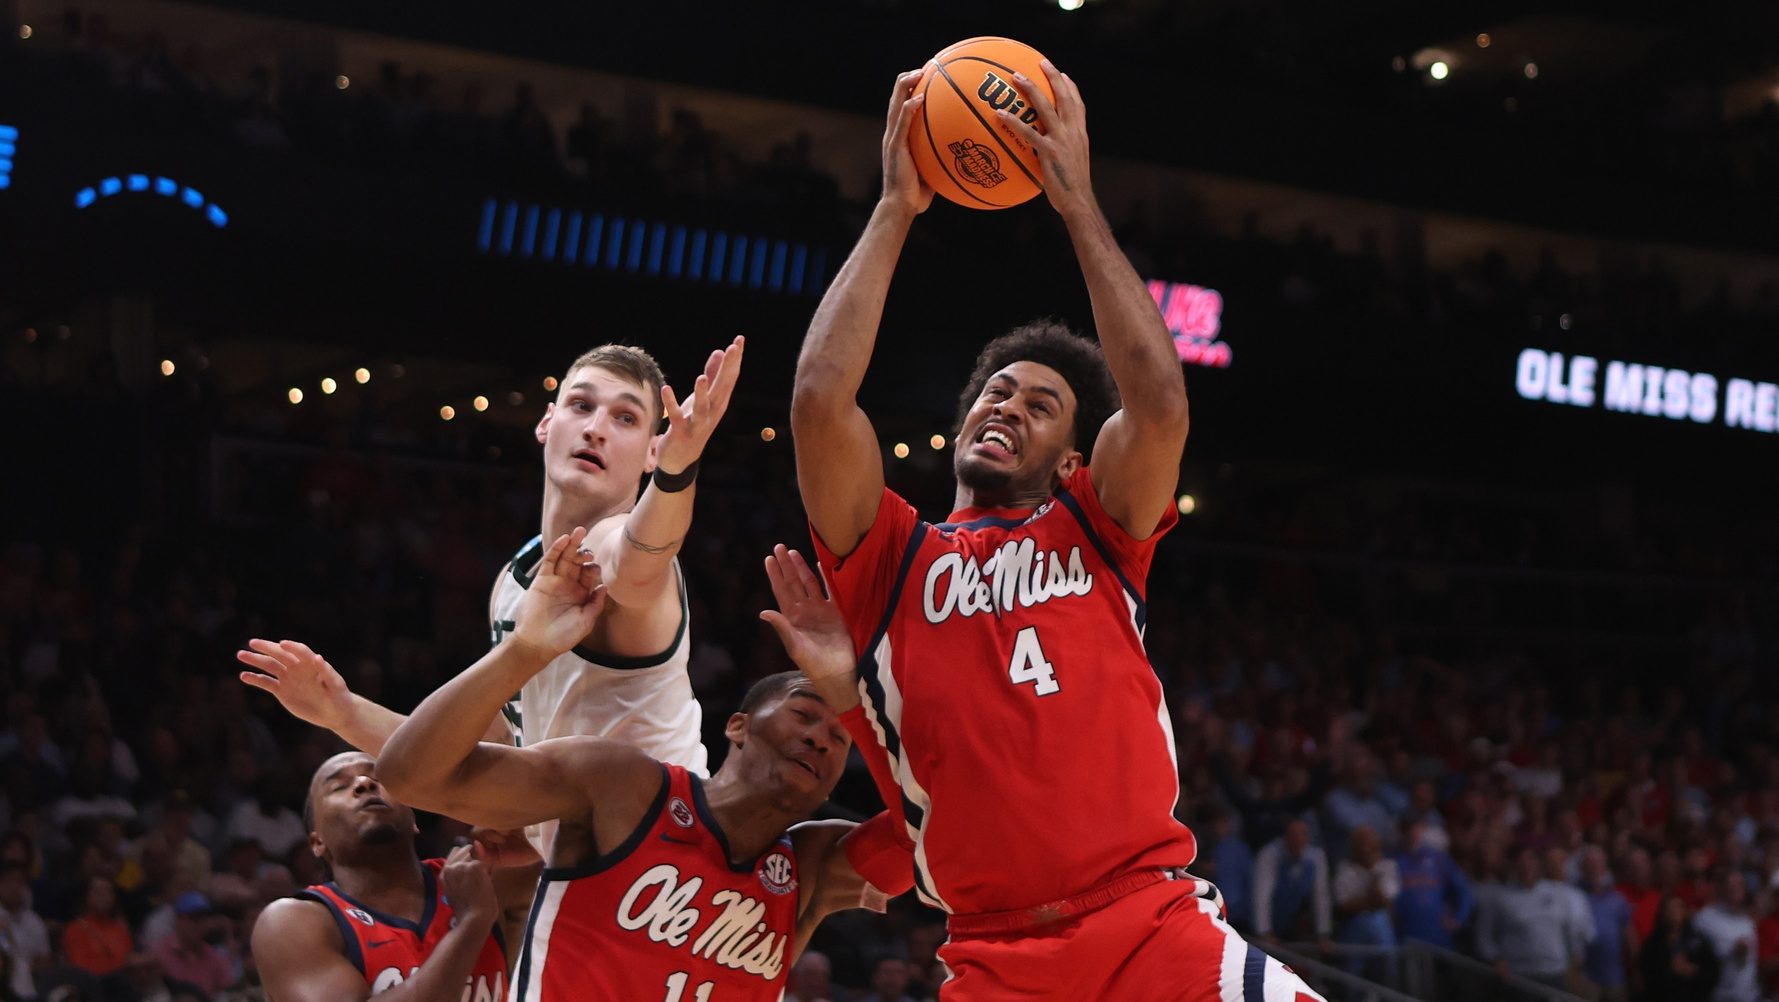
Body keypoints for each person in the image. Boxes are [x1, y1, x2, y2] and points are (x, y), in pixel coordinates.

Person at [789, 63, 1321, 1001]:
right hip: (994, 957)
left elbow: (1158, 407)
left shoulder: (1098, 530)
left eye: (1041, 405)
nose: (1008, 406)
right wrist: (894, 209)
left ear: (1073, 463)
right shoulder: (889, 560)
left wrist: (1076, 205)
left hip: (1148, 926)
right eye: (996, 391)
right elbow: (819, 403)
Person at [239, 336, 745, 857]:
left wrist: (677, 473)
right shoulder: (514, 578)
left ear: (652, 452)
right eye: (582, 405)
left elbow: (643, 557)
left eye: (625, 419)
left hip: (672, 863)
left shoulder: (611, 546)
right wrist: (340, 710)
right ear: (547, 423)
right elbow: (490, 749)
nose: (595, 427)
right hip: (597, 877)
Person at [375, 529, 914, 1000]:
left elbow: (941, 830)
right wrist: (522, 652)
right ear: (738, 726)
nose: (821, 738)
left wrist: (852, 692)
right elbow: (409, 775)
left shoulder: (816, 867)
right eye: (804, 713)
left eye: (843, 737)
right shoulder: (624, 786)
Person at [249, 752, 510, 1002]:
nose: (365, 783)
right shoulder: (292, 923)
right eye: (339, 786)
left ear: (413, 818)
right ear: (317, 842)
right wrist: (471, 922)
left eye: (380, 779)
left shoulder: (482, 876)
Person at [1476, 845, 1588, 990]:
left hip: (1556, 974)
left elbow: (1569, 929)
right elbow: (1484, 936)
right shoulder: (1499, 899)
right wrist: (1496, 959)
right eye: (1520, 861)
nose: (1526, 866)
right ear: (1513, 865)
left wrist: (1576, 954)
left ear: (1538, 864)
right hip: (1521, 976)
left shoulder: (1557, 892)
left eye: (1530, 860)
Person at [1393, 815, 1474, 949]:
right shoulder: (1394, 860)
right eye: (1408, 828)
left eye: (1416, 827)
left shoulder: (1439, 859)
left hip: (1438, 935)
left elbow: (1463, 890)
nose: (1412, 832)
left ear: (1423, 828)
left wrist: (1458, 918)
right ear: (1401, 830)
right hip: (1406, 934)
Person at [1332, 825, 1398, 984]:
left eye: (1368, 840)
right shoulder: (1344, 869)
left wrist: (1373, 876)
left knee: (1387, 975)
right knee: (1352, 980)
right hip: (1353, 930)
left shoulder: (1388, 866)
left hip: (1382, 932)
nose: (1365, 845)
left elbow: (1385, 901)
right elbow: (1343, 905)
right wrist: (1371, 902)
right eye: (1360, 841)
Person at [1253, 819, 1333, 948]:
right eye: (1294, 835)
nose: (1298, 840)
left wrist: (1323, 934)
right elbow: (1262, 895)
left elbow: (1321, 896)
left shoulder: (1316, 857)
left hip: (1294, 919)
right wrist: (1264, 932)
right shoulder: (1269, 854)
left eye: (1302, 835)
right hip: (1273, 914)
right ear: (1285, 837)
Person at [1580, 847, 1637, 1002]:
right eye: (1590, 865)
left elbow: (1629, 938)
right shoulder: (1576, 898)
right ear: (1582, 869)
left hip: (1616, 977)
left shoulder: (1618, 899)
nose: (1594, 869)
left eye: (1598, 865)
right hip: (1587, 977)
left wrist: (1635, 969)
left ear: (1605, 867)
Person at [1693, 869, 1759, 1002]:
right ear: (1721, 888)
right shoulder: (1705, 919)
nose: (1737, 889)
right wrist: (1732, 951)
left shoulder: (1747, 922)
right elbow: (1698, 959)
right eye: (1732, 885)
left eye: (1740, 885)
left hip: (1749, 996)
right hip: (1720, 996)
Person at [151, 892, 233, 996]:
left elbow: (225, 993)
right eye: (194, 919)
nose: (200, 925)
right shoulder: (159, 954)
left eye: (205, 919)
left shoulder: (215, 957)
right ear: (179, 920)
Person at [1640, 895, 1719, 1002]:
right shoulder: (1653, 944)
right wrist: (1669, 969)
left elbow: (1713, 972)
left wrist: (1694, 971)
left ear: (1685, 912)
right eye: (1669, 909)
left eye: (1678, 907)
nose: (1673, 912)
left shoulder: (1699, 942)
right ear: (1662, 914)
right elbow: (1646, 975)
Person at [60, 877, 131, 979]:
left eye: (108, 891)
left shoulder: (120, 929)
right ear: (86, 896)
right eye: (98, 891)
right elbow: (80, 968)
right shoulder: (75, 929)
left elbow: (129, 960)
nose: (104, 895)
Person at [0, 862, 50, 1000]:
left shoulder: (34, 921)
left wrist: (32, 968)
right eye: (9, 881)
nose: (14, 887)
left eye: (20, 882)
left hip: (28, 988)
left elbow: (45, 958)